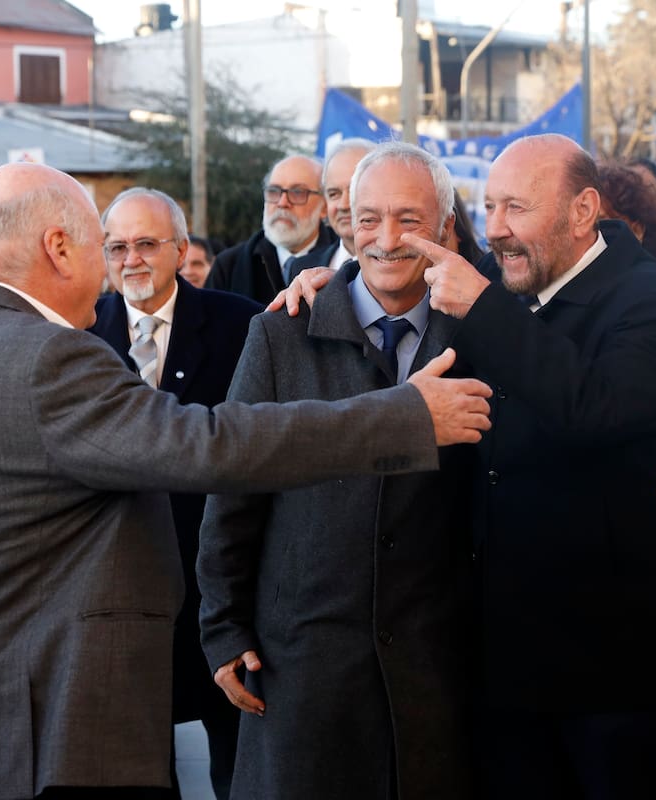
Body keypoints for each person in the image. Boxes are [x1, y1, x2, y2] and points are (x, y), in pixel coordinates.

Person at [0, 161, 492, 800]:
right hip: (43, 739)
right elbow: (209, 448)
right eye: (103, 247)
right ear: (58, 248)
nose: (113, 271)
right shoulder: (47, 359)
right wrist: (404, 417)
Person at [410, 133, 656, 798]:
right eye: (488, 206)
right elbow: (389, 282)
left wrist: (484, 309)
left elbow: (593, 408)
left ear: (582, 210)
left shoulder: (648, 297)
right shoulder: (503, 273)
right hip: (504, 656)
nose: (495, 229)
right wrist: (320, 284)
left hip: (611, 665)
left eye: (516, 207)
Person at [198, 141, 477, 800]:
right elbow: (235, 485)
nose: (386, 238)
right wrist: (223, 627)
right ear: (344, 221)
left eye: (409, 219)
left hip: (436, 673)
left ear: (444, 227)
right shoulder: (281, 334)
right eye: (368, 217)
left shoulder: (481, 336)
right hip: (303, 671)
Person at [87, 187, 263, 800]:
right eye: (117, 247)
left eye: (146, 244)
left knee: (237, 764)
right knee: (136, 765)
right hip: (119, 592)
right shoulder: (79, 332)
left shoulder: (242, 324)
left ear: (182, 249)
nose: (131, 259)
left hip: (219, 587)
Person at [205, 155, 335, 305]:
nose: (282, 202)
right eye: (274, 191)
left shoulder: (342, 260)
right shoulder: (229, 266)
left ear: (324, 206)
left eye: (297, 192)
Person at [285, 138, 376, 278]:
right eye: (334, 194)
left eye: (354, 192)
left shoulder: (400, 267)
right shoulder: (300, 268)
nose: (344, 205)